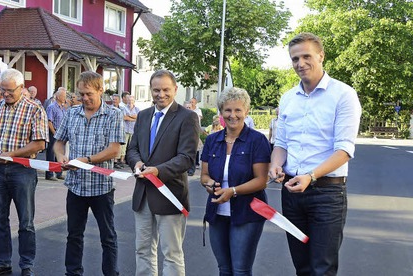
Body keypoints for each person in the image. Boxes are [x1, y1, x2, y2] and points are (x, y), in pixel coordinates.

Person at [269, 32, 362, 276]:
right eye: (295, 59)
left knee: (322, 268)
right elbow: (281, 143)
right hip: (291, 193)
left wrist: (310, 176)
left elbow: (344, 150)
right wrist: (276, 164)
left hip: (327, 194)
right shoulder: (288, 98)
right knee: (303, 267)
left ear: (321, 56)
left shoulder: (344, 95)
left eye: (306, 56)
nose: (300, 64)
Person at [125, 69, 200, 276]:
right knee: (142, 251)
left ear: (175, 89)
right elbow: (132, 149)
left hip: (171, 195)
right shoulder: (143, 116)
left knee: (171, 254)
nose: (161, 94)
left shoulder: (188, 117)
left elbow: (186, 157)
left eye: (166, 89)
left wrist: (158, 171)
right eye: (156, 90)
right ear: (151, 90)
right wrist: (137, 163)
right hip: (143, 195)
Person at [53, 71, 124, 276]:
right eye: (81, 94)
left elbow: (114, 150)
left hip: (101, 186)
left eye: (88, 94)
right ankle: (73, 272)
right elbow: (59, 142)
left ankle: (111, 273)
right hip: (75, 186)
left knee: (107, 236)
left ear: (101, 90)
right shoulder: (71, 113)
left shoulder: (113, 114)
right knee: (74, 235)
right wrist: (60, 157)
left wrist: (87, 161)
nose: (84, 98)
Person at [0, 68, 48, 276]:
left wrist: (11, 154)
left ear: (21, 88)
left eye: (10, 91)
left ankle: (26, 265)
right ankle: (2, 262)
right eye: (3, 90)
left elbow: (39, 144)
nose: (6, 94)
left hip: (22, 170)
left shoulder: (35, 109)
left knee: (25, 221)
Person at [201, 87, 271, 275]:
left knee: (240, 270)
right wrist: (209, 184)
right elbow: (204, 175)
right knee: (224, 269)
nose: (233, 115)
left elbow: (261, 180)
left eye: (238, 110)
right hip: (217, 212)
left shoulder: (257, 141)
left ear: (246, 111)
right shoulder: (212, 140)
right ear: (221, 112)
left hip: (247, 213)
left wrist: (232, 191)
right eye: (228, 110)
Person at [44, 88, 67, 181]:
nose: (65, 98)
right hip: (54, 132)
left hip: (61, 134)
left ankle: (59, 172)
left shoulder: (62, 107)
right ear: (58, 97)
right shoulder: (51, 107)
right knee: (51, 154)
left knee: (60, 153)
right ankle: (49, 174)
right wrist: (54, 133)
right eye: (63, 96)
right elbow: (49, 122)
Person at [121, 95, 139, 168]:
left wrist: (130, 116)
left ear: (134, 101)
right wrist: (134, 118)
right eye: (129, 100)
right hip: (126, 129)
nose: (130, 102)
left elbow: (138, 117)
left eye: (131, 100)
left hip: (133, 130)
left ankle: (129, 160)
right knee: (123, 146)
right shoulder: (124, 108)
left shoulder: (137, 109)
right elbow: (124, 117)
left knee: (131, 146)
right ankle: (122, 160)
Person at [110, 94, 124, 169]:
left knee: (120, 147)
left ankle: (116, 161)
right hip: (112, 130)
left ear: (119, 100)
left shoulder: (122, 109)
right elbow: (125, 117)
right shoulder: (109, 108)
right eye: (113, 99)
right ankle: (113, 161)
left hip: (121, 129)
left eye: (115, 99)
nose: (114, 101)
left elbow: (125, 116)